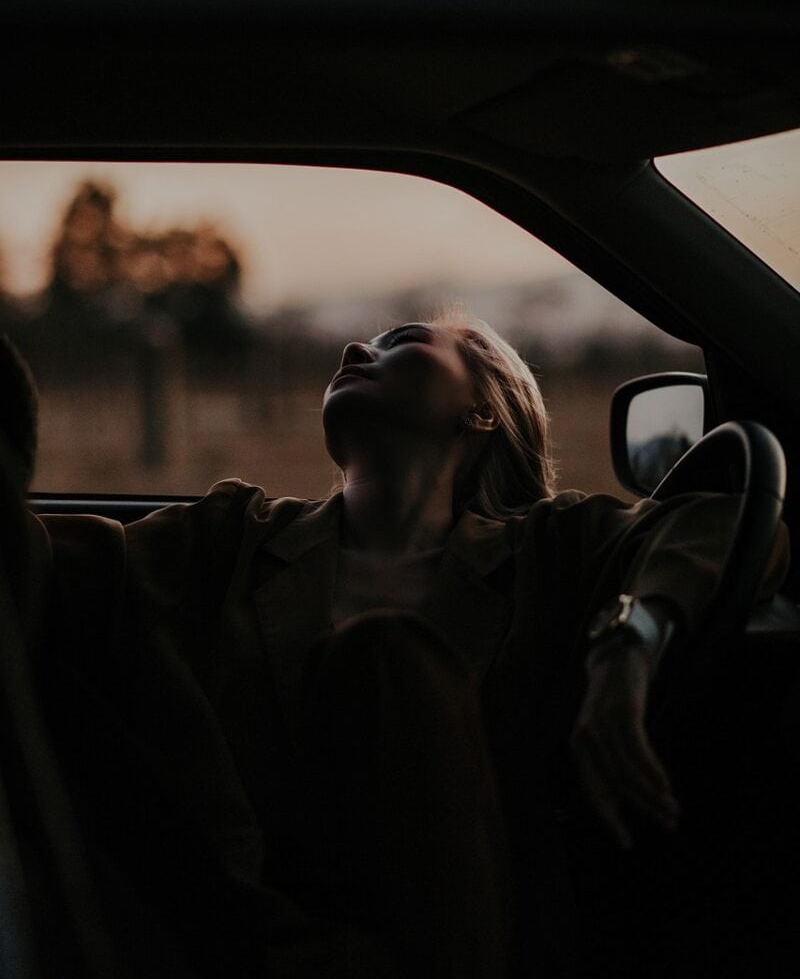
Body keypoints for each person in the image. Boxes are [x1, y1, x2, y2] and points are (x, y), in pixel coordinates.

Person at [0, 319, 788, 978]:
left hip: (469, 942)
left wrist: (629, 641)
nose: (353, 353)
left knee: (385, 660)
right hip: (239, 938)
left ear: (482, 411)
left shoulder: (555, 547)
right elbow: (41, 562)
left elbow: (726, 520)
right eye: (361, 346)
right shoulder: (229, 538)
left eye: (400, 342)